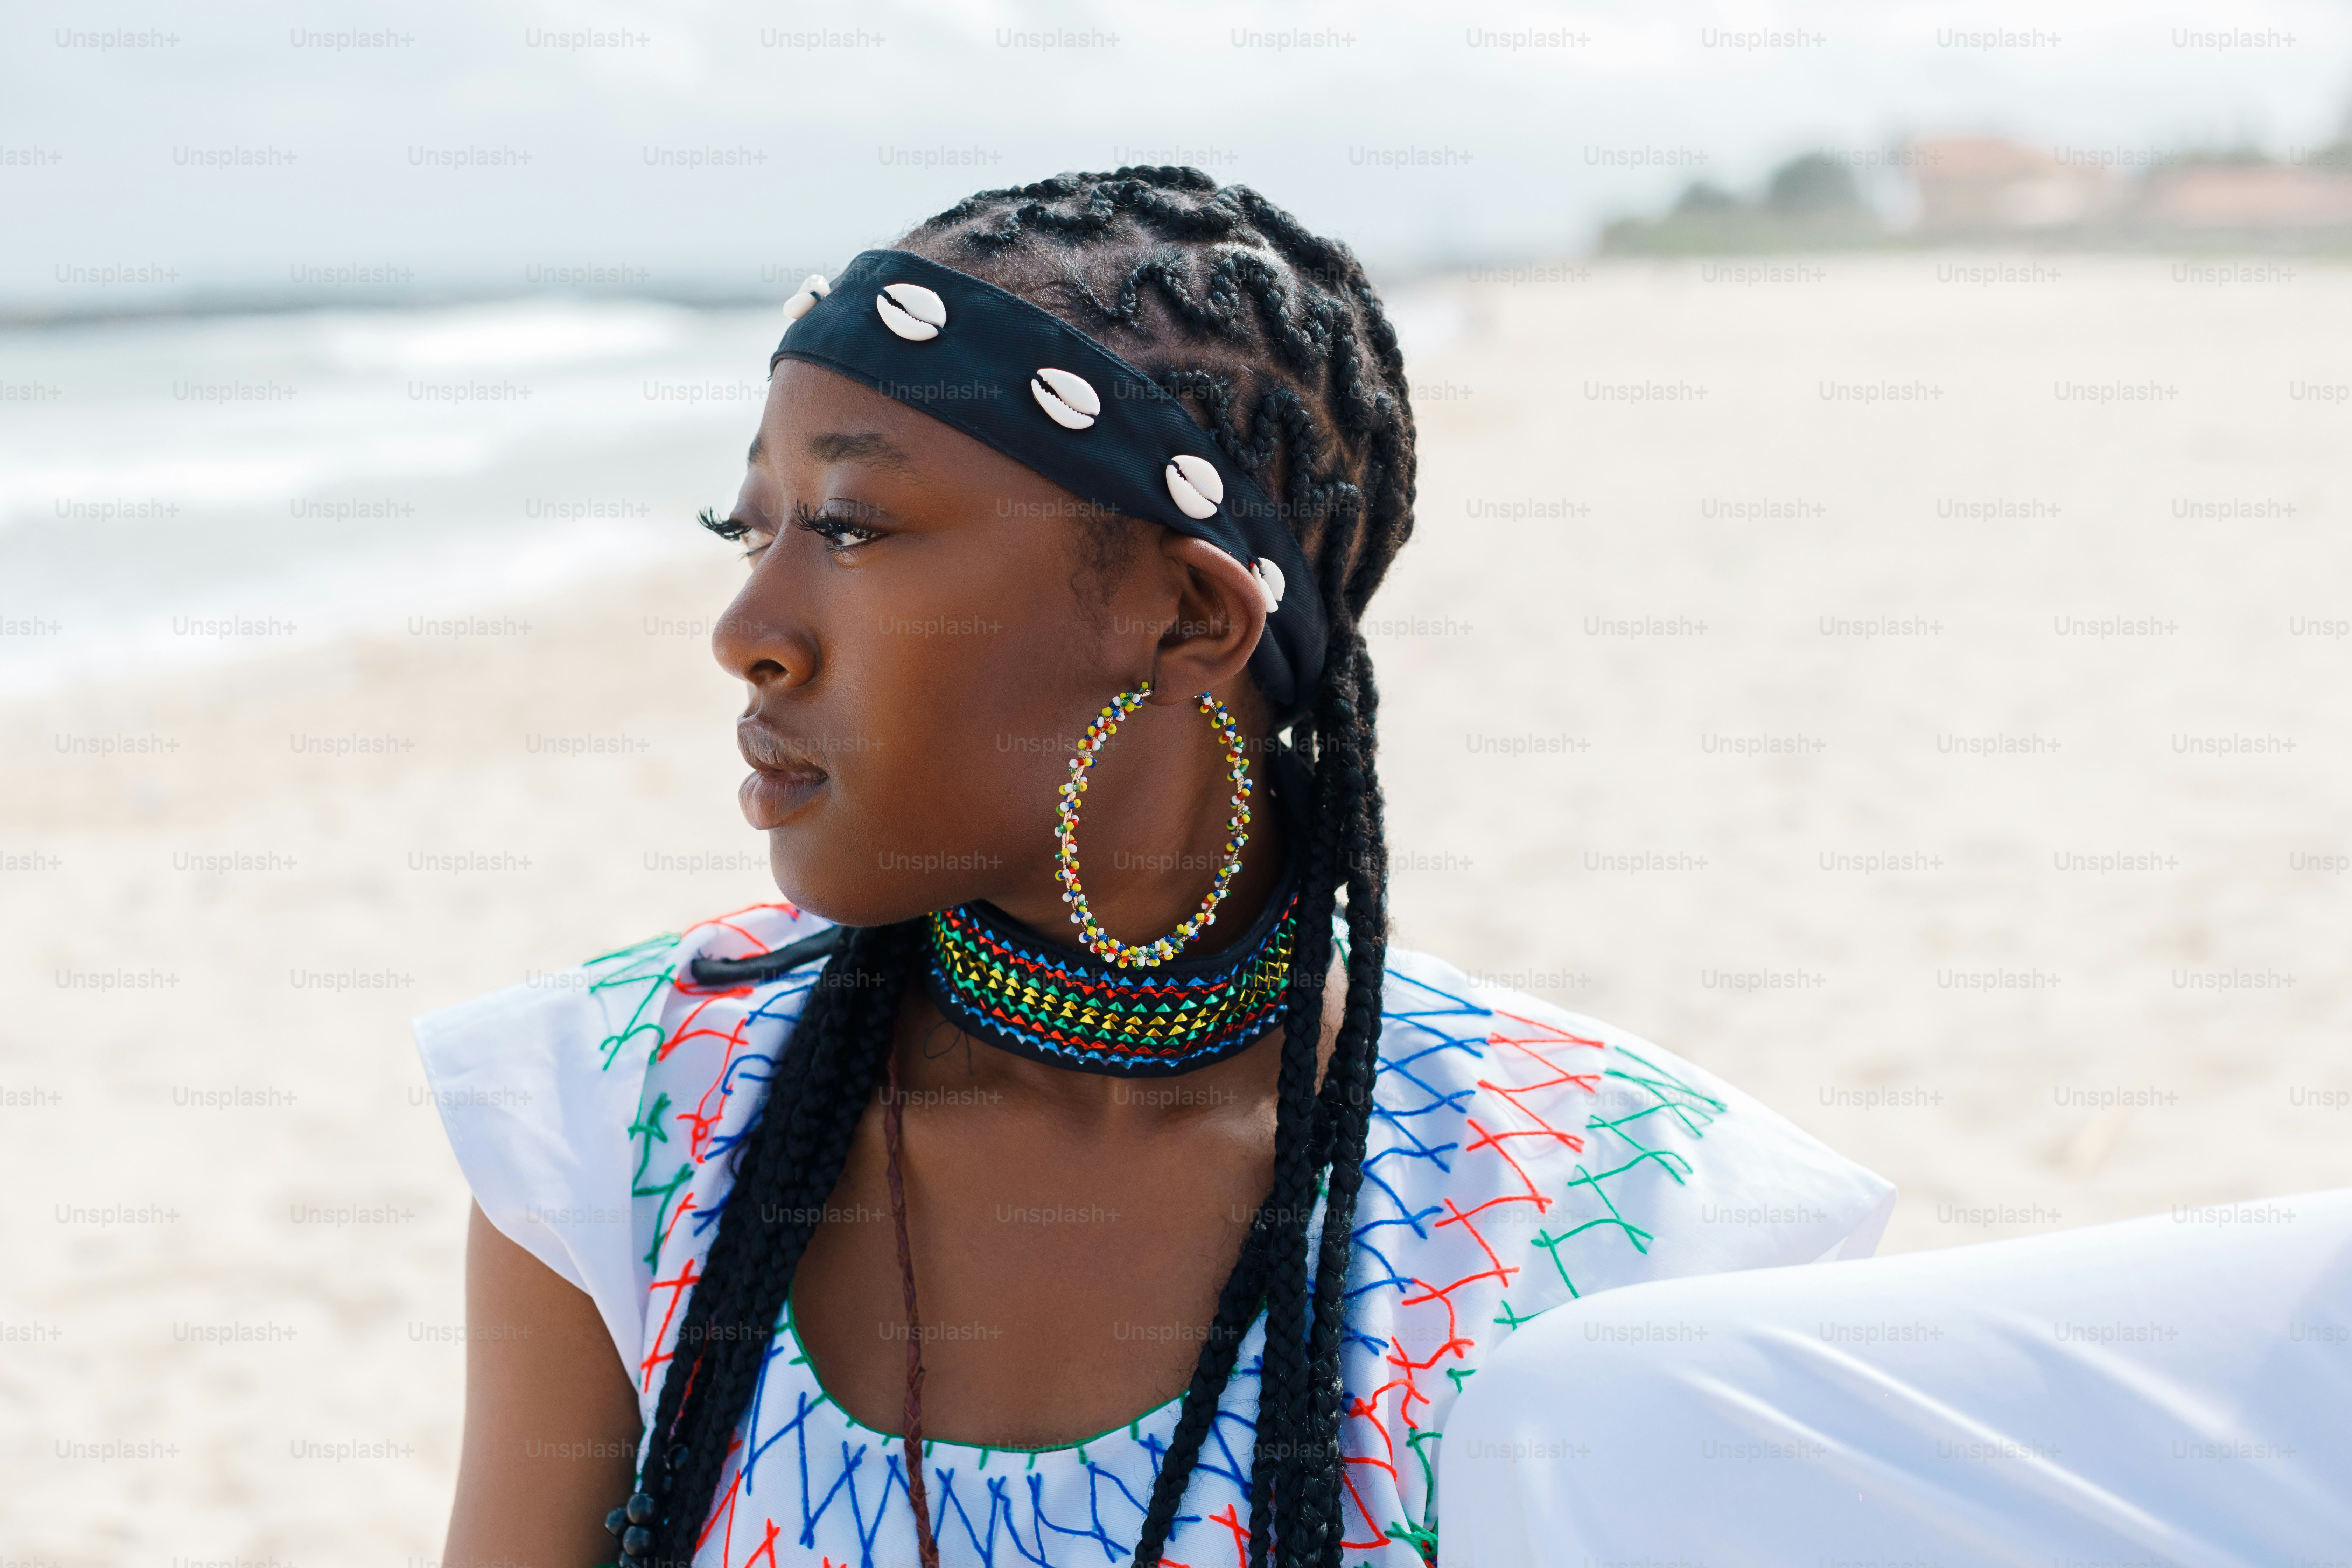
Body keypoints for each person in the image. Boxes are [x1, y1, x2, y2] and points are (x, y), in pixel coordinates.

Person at [413, 167, 1893, 1568]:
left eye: (854, 526)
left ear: (1188, 618)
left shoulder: (1618, 1213)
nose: (748, 627)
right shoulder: (616, 1109)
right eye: (753, 529)